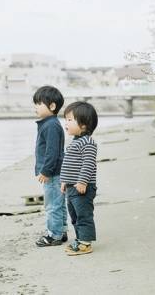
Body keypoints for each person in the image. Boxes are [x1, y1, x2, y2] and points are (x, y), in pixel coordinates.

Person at [60, 101, 98, 256]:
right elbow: (69, 165)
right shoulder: (75, 142)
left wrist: (82, 181)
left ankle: (85, 243)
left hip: (83, 187)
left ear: (83, 125)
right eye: (66, 120)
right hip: (71, 187)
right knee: (74, 215)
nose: (66, 123)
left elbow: (88, 164)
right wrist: (64, 181)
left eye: (70, 120)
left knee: (83, 215)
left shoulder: (88, 142)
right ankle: (80, 238)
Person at [32, 85, 68, 247]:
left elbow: (52, 152)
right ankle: (61, 231)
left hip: (53, 173)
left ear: (52, 106)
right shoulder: (49, 124)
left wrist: (45, 171)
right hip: (57, 172)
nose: (35, 107)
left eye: (39, 104)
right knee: (58, 203)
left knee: (52, 204)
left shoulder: (51, 125)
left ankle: (54, 235)